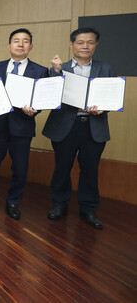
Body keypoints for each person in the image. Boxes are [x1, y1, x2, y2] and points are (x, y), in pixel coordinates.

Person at [42, 27, 115, 229]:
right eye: (80, 42)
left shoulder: (106, 69)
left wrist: (103, 108)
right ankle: (59, 205)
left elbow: (112, 97)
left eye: (90, 42)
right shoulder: (60, 68)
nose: (85, 46)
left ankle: (88, 209)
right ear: (71, 44)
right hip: (65, 126)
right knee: (62, 168)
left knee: (90, 170)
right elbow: (49, 95)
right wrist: (55, 72)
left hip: (94, 127)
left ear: (96, 45)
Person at [0, 28, 48, 220]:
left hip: (23, 126)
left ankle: (13, 202)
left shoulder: (40, 70)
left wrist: (34, 109)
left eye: (25, 41)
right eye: (16, 41)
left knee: (20, 169)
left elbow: (41, 99)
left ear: (31, 46)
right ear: (9, 45)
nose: (20, 44)